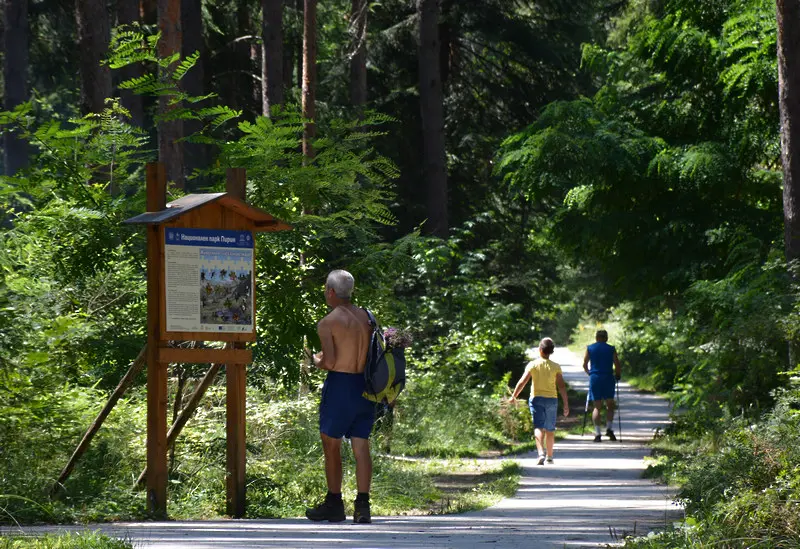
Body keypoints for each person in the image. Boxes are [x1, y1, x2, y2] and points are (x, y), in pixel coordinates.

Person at [305, 269, 375, 524]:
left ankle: (334, 502)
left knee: (331, 445)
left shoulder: (328, 322)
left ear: (331, 292)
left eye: (326, 288)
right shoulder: (367, 317)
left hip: (340, 386)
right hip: (365, 387)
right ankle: (363, 506)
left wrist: (315, 360)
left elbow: (331, 361)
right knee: (361, 445)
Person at [509, 338, 570, 465]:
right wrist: (566, 404)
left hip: (536, 399)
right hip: (552, 400)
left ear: (540, 350)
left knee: (538, 427)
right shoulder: (556, 367)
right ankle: (550, 456)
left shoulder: (533, 364)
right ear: (551, 351)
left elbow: (522, 382)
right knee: (550, 429)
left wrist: (514, 396)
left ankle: (540, 453)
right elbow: (562, 386)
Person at [583, 329, 622, 442]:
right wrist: (618, 374)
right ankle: (609, 429)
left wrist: (590, 373)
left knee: (597, 406)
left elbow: (585, 364)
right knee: (610, 404)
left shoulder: (590, 348)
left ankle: (597, 433)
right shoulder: (611, 349)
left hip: (595, 378)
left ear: (596, 337)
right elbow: (617, 364)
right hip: (608, 378)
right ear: (606, 338)